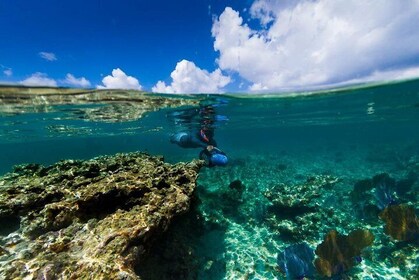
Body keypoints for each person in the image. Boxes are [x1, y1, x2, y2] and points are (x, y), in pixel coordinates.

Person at [168, 101, 228, 167]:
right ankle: (171, 136)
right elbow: (193, 139)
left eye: (210, 124)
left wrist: (220, 155)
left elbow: (209, 153)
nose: (208, 127)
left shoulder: (211, 139)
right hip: (181, 139)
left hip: (190, 143)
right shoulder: (197, 130)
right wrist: (206, 146)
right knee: (172, 139)